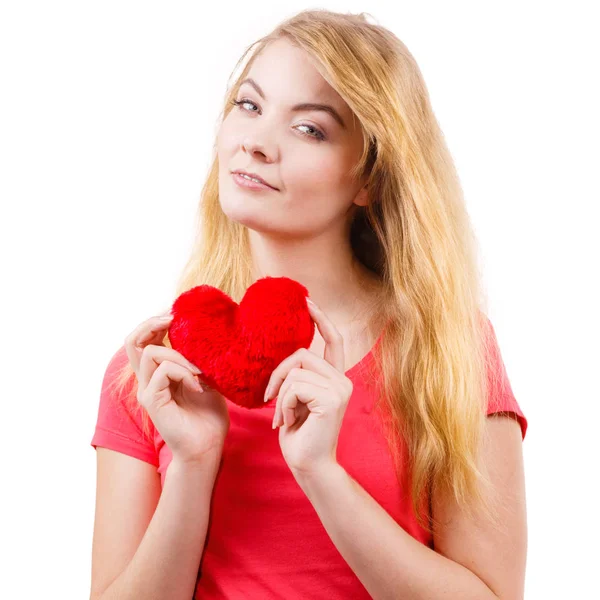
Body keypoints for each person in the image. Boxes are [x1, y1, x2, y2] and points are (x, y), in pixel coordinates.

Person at [89, 9, 528, 600]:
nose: (255, 142)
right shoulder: (150, 372)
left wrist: (322, 473)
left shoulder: (448, 350)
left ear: (370, 177)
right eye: (249, 105)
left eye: (310, 129)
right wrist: (194, 464)